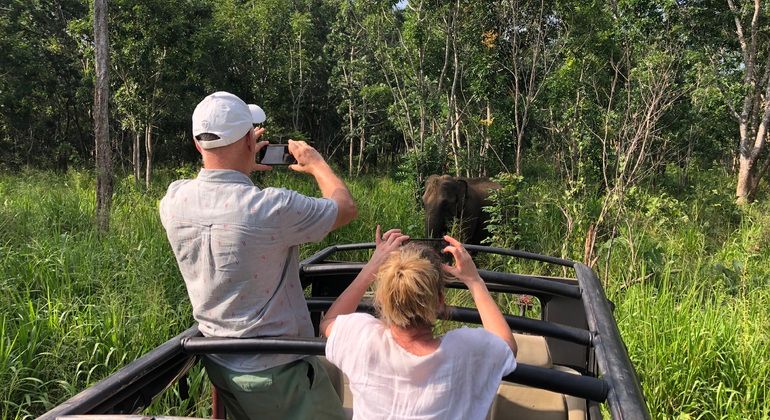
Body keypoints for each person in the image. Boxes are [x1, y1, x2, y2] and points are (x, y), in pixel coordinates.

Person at [159, 91, 356, 420]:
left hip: (220, 363)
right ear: (251, 140)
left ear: (198, 144)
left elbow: (215, 188)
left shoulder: (173, 201)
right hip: (281, 370)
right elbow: (345, 207)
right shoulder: (272, 207)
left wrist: (239, 163)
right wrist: (317, 164)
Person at [321, 228, 518, 420]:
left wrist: (371, 267)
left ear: (381, 299)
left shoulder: (363, 337)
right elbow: (506, 344)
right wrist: (474, 281)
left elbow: (328, 322)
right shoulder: (465, 351)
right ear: (440, 300)